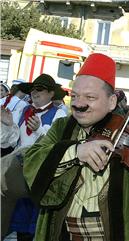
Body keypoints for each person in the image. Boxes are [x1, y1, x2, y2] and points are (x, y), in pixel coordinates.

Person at [22, 53, 129, 241]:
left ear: (111, 102)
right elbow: (32, 160)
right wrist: (75, 151)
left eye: (90, 97)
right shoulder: (61, 127)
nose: (78, 104)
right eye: (74, 96)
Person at [1, 74, 67, 241]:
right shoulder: (23, 110)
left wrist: (39, 129)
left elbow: (57, 145)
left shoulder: (59, 114)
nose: (34, 93)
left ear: (51, 93)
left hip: (40, 172)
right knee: (19, 223)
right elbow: (12, 142)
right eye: (32, 89)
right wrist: (9, 125)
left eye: (39, 89)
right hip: (19, 169)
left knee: (35, 224)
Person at [0, 82, 29, 156]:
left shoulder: (3, 99)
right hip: (6, 141)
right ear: (21, 91)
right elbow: (15, 123)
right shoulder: (23, 104)